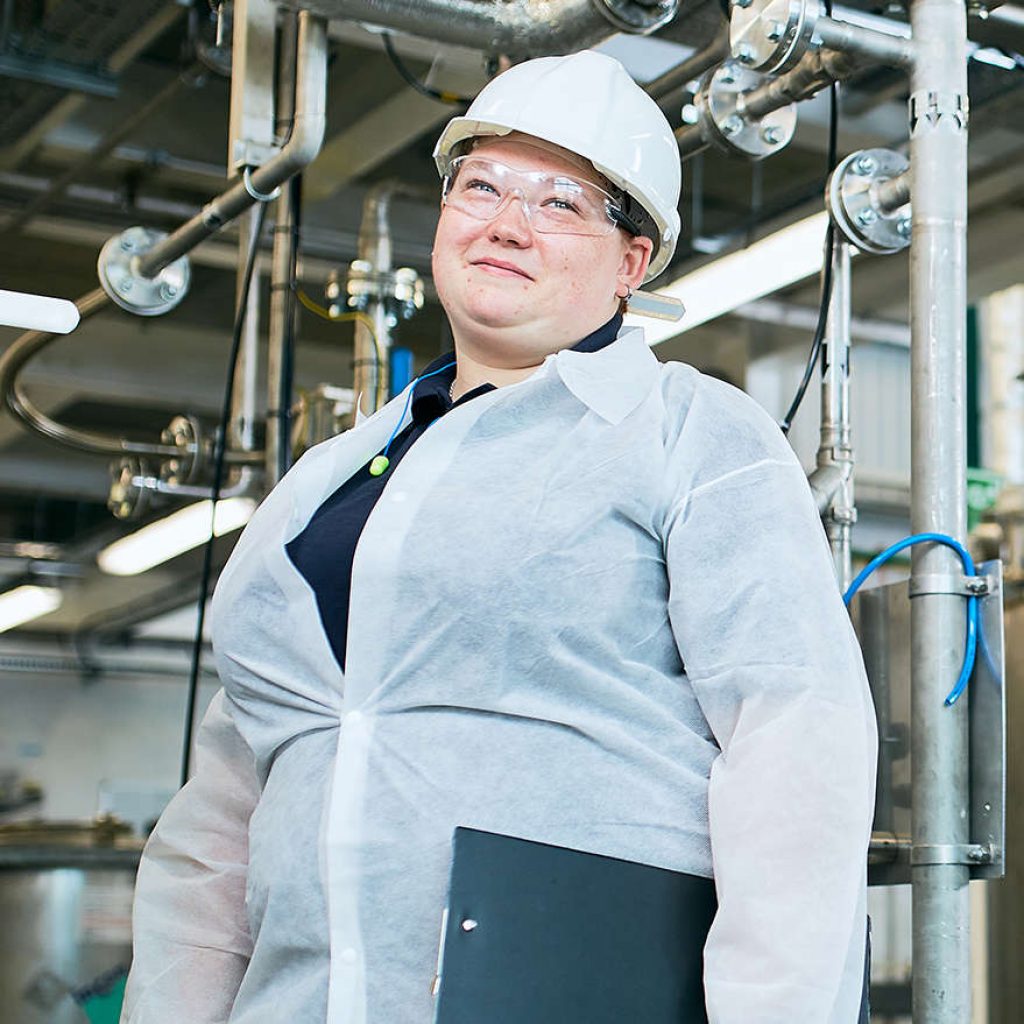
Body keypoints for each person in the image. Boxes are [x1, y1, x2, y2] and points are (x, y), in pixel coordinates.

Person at [122, 51, 877, 1024]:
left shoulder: (689, 433)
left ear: (631, 262)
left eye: (561, 203)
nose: (507, 223)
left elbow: (794, 752)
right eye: (480, 186)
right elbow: (222, 812)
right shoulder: (322, 481)